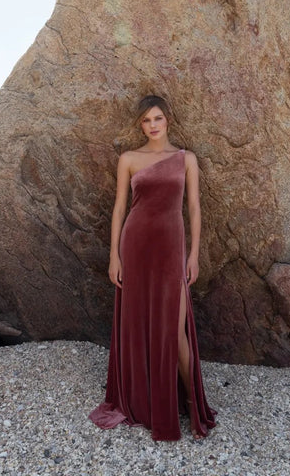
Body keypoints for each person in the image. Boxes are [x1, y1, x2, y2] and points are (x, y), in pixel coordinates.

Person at [88, 95, 216, 441]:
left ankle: (192, 404)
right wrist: (114, 256)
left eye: (157, 118)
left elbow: (194, 209)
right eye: (146, 120)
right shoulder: (128, 159)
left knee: (174, 332)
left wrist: (194, 255)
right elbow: (119, 209)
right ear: (140, 125)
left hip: (171, 250)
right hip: (136, 246)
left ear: (168, 120)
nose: (153, 125)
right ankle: (144, 401)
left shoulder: (185, 159)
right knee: (138, 324)